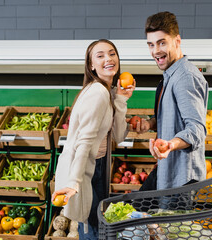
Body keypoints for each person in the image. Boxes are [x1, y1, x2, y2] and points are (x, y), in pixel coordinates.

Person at [52, 39, 135, 239]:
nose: (108, 59)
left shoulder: (107, 91)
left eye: (112, 53)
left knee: (96, 225)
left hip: (96, 165)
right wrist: (74, 181)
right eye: (100, 56)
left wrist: (121, 99)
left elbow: (117, 136)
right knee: (94, 229)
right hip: (82, 169)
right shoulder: (97, 92)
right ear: (91, 65)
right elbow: (84, 141)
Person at [135, 11, 208, 190]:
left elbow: (196, 129)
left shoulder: (185, 77)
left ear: (177, 41)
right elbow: (175, 117)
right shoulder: (171, 75)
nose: (155, 51)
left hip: (181, 180)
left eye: (162, 43)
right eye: (151, 45)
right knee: (136, 211)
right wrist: (151, 123)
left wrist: (171, 144)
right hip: (168, 171)